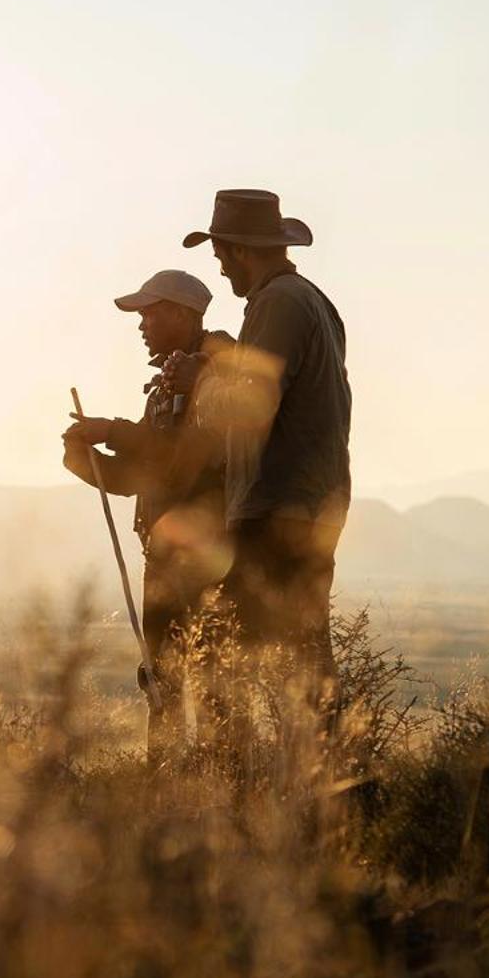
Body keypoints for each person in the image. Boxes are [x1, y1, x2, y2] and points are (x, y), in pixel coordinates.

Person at [180, 189, 352, 696]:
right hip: (309, 504)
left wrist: (202, 382)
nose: (221, 270)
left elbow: (251, 409)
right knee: (302, 651)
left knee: (218, 647)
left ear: (238, 250)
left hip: (279, 510)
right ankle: (327, 766)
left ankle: (228, 771)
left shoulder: (277, 303)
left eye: (219, 256)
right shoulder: (311, 301)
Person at [63, 269, 233, 741]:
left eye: (149, 314)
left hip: (203, 555)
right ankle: (165, 785)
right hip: (163, 555)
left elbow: (181, 462)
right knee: (162, 676)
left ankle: (223, 784)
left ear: (181, 314)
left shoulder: (215, 374)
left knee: (209, 675)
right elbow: (149, 475)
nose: (140, 326)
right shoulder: (167, 384)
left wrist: (111, 431)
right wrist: (86, 461)